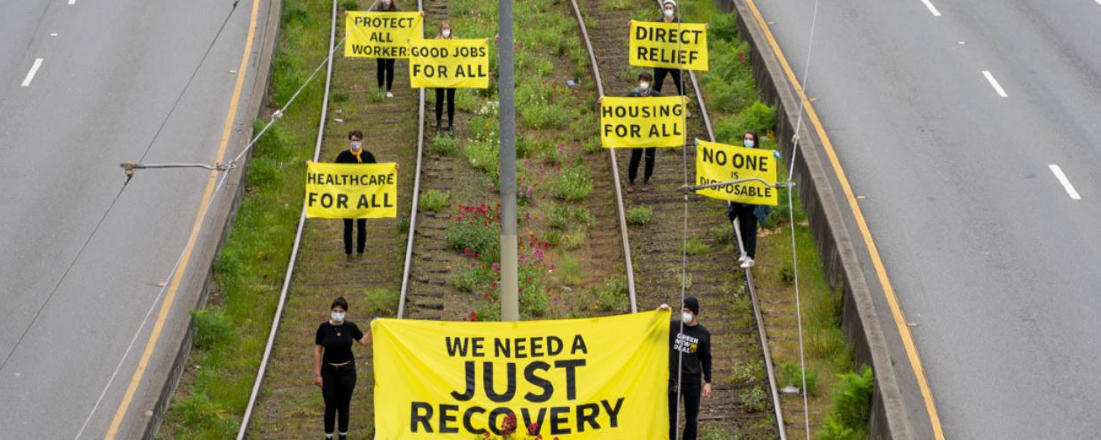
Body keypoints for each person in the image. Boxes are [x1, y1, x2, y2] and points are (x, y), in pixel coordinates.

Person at [314, 297, 371, 440]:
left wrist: (373, 327)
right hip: (328, 372)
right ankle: (328, 436)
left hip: (347, 372)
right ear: (331, 311)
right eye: (335, 310)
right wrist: (317, 374)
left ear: (345, 312)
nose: (338, 313)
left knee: (344, 406)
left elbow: (363, 341)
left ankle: (343, 436)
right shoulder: (323, 328)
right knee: (330, 407)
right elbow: (318, 351)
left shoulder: (350, 327)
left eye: (341, 311)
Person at [659, 298, 712, 440]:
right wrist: (660, 311)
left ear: (695, 313)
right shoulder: (675, 327)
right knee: (672, 418)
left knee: (691, 420)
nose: (684, 314)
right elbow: (657, 327)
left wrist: (708, 381)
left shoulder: (703, 334)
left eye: (687, 311)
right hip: (675, 381)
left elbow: (706, 358)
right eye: (683, 311)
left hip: (693, 382)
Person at [726, 130, 769, 269]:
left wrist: (773, 158)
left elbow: (768, 171)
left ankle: (751, 256)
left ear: (755, 141)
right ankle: (744, 251)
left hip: (752, 200)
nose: (748, 141)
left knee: (751, 228)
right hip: (740, 198)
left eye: (750, 138)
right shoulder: (738, 155)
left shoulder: (760, 156)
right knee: (743, 227)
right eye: (746, 138)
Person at [335, 130, 376, 263]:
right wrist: (312, 166)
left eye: (358, 140)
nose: (355, 142)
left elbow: (379, 173)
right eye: (353, 140)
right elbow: (330, 171)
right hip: (347, 197)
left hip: (363, 198)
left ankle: (360, 253)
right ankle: (348, 254)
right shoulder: (343, 156)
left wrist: (393, 168)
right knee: (348, 226)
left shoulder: (368, 157)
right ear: (349, 141)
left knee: (361, 226)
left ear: (362, 141)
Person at [626, 72, 660, 193]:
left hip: (652, 132)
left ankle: (646, 180)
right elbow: (618, 105)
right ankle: (631, 180)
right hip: (638, 132)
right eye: (642, 80)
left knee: (650, 157)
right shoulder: (632, 95)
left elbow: (670, 105)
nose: (643, 83)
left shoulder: (656, 96)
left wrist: (683, 101)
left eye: (646, 80)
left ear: (650, 83)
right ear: (638, 81)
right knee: (635, 157)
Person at [652, 0, 683, 97]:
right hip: (661, 58)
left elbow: (690, 34)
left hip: (674, 58)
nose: (668, 10)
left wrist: (703, 28)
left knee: (679, 82)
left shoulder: (679, 22)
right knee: (657, 82)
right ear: (663, 9)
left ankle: (685, 106)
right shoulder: (658, 22)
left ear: (674, 9)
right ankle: (654, 103)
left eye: (670, 8)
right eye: (666, 8)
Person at [373, 0, 399, 98]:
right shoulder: (376, 10)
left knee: (390, 66)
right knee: (380, 66)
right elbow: (365, 19)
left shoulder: (396, 10)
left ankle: (388, 89)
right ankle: (380, 89)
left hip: (392, 43)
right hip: (379, 43)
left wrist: (420, 15)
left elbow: (407, 20)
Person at [435, 22, 457, 136]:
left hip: (452, 76)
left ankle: (450, 125)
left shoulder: (455, 41)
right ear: (440, 30)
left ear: (450, 29)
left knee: (450, 100)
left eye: (447, 28)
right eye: (444, 28)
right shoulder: (435, 42)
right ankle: (438, 124)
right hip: (439, 75)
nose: (446, 30)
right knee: (439, 100)